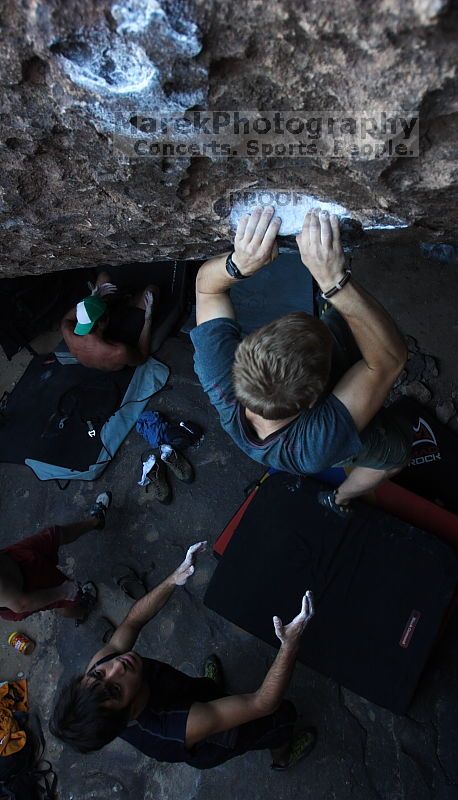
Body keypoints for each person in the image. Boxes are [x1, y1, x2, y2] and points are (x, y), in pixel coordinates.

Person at [191, 205, 411, 516]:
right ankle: (340, 498)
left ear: (241, 357)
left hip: (304, 408)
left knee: (339, 322)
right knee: (396, 453)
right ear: (313, 400)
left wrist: (237, 264)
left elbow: (205, 288)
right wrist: (334, 282)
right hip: (333, 446)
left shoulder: (217, 372)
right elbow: (389, 361)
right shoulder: (316, 444)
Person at [50, 541, 317, 771]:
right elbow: (262, 703)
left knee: (205, 689)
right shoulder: (179, 726)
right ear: (129, 713)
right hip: (213, 735)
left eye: (98, 674)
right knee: (278, 719)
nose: (116, 667)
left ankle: (212, 691)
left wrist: (172, 579)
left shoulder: (101, 669)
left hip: (188, 695)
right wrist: (289, 645)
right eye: (116, 689)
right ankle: (282, 757)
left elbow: (132, 622)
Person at [0, 491, 111, 622]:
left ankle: (96, 521)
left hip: (12, 558)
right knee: (68, 600)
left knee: (55, 534)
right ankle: (83, 610)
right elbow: (21, 604)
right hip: (25, 590)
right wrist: (62, 592)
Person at [60, 271, 159, 371]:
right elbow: (142, 357)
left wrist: (92, 298)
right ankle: (129, 301)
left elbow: (66, 319)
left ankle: (125, 300)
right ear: (104, 322)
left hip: (101, 331)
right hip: (123, 337)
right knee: (152, 290)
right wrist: (148, 320)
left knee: (104, 277)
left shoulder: (68, 332)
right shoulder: (118, 351)